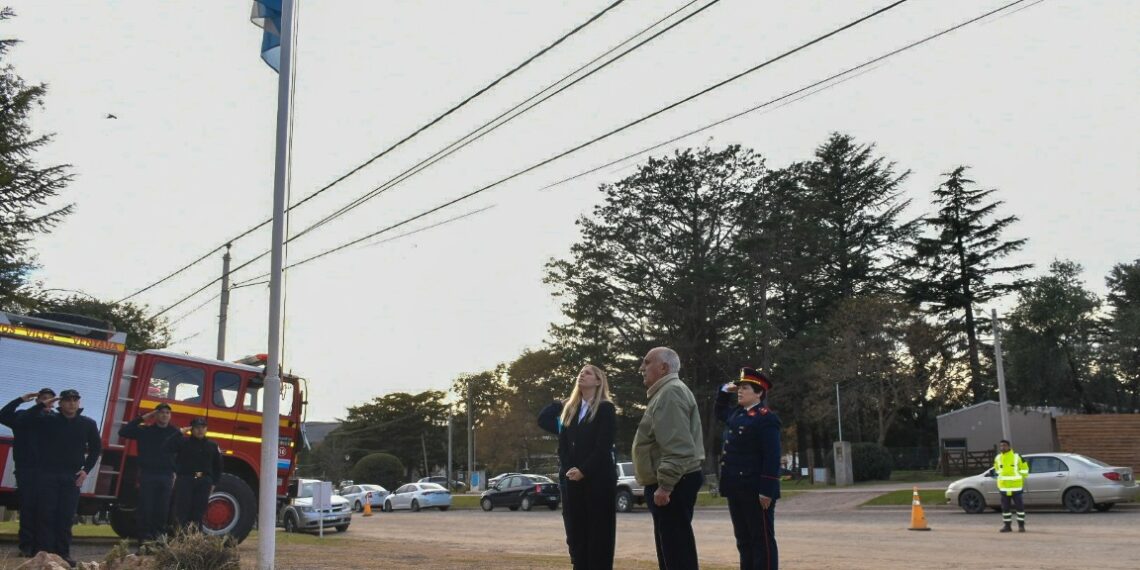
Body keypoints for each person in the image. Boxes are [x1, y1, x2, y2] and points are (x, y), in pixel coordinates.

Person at [537, 365, 618, 570]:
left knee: (599, 535)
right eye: (580, 372)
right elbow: (562, 446)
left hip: (598, 480)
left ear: (598, 382)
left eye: (588, 373)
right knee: (577, 535)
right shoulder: (570, 410)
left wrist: (584, 470)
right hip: (573, 480)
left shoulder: (606, 408)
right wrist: (570, 469)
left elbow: (603, 446)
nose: (582, 374)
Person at [632, 346, 705, 570]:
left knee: (676, 553)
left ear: (663, 367)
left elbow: (678, 447)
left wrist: (665, 486)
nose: (641, 368)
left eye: (647, 362)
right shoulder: (665, 392)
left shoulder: (670, 393)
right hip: (674, 481)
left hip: (674, 483)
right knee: (672, 550)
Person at [19, 388, 101, 568]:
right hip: (47, 474)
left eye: (75, 400)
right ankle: (45, 554)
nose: (72, 403)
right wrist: (43, 404)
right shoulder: (47, 420)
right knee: (45, 515)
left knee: (65, 516)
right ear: (60, 403)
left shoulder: (87, 423)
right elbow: (25, 420)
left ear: (79, 403)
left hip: (71, 476)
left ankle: (62, 553)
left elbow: (96, 449)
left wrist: (86, 470)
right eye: (68, 400)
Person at [716, 368, 781, 570]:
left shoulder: (765, 418)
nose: (740, 391)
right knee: (743, 540)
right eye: (739, 388)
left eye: (745, 388)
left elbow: (772, 456)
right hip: (735, 487)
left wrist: (766, 490)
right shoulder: (737, 414)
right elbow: (719, 410)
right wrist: (725, 389)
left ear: (759, 392)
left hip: (755, 490)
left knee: (761, 540)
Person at [0, 388, 56, 557]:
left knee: (45, 510)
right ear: (37, 400)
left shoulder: (55, 420)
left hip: (49, 471)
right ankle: (26, 546)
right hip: (27, 470)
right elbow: (3, 415)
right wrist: (20, 399)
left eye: (49, 399)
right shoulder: (23, 417)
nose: (46, 401)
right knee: (28, 508)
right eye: (42, 398)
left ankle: (42, 546)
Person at [118, 403, 179, 548]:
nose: (164, 415)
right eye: (161, 412)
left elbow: (181, 453)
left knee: (163, 509)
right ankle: (145, 539)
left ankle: (159, 538)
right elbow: (124, 432)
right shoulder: (145, 431)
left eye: (167, 413)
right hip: (148, 474)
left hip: (166, 475)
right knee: (146, 508)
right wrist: (143, 417)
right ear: (155, 415)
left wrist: (176, 472)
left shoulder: (174, 432)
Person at [165, 417, 222, 531]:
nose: (200, 430)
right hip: (186, 479)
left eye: (203, 427)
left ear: (206, 429)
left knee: (198, 512)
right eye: (197, 428)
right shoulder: (183, 442)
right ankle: (180, 539)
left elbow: (218, 466)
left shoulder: (213, 445)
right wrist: (180, 432)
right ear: (191, 429)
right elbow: (166, 446)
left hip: (203, 480)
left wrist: (213, 483)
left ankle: (194, 540)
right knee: (182, 511)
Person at [993, 439, 1028, 533]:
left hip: (1016, 487)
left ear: (1009, 447)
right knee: (1005, 509)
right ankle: (1007, 526)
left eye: (1004, 445)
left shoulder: (1017, 457)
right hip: (1004, 488)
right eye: (1001, 446)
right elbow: (996, 469)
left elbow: (1025, 468)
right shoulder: (997, 458)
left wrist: (1021, 476)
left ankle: (1021, 526)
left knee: (1020, 508)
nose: (1002, 447)